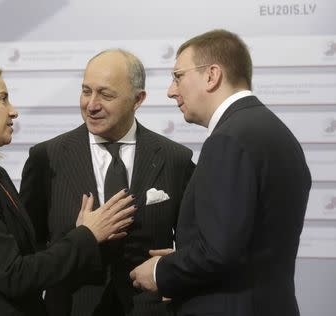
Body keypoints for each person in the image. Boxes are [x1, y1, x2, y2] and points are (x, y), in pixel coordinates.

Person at [129, 29, 311, 316]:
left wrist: (161, 271)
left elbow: (219, 253)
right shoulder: (275, 132)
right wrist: (185, 259)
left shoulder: (228, 139)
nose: (171, 90)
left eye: (178, 76)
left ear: (212, 76)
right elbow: (242, 244)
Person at [0, 62, 137, 316]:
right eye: (3, 99)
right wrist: (87, 234)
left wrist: (78, 233)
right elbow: (14, 276)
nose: (13, 111)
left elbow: (26, 259)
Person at [20, 49, 195, 316]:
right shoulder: (47, 158)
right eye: (86, 91)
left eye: (105, 94)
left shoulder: (175, 159)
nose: (91, 104)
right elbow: (28, 251)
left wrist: (180, 270)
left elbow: (196, 245)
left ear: (138, 99)